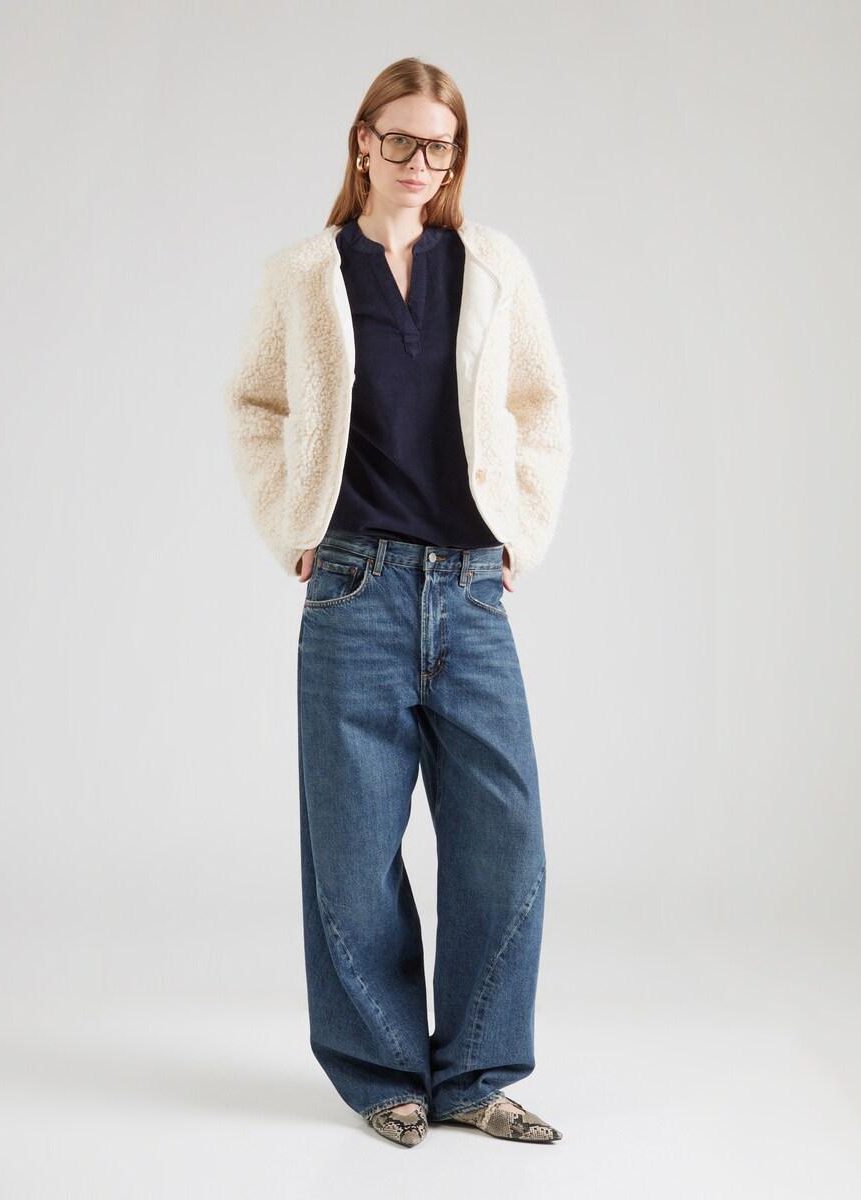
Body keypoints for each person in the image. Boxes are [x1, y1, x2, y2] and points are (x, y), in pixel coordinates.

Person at [226, 57, 572, 1147]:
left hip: (469, 590)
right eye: (403, 140)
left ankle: (474, 1073)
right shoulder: (306, 273)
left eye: (442, 145)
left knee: (504, 839)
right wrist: (292, 519)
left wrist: (520, 530)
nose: (423, 162)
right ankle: (385, 1075)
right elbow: (256, 403)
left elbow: (538, 404)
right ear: (363, 142)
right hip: (355, 587)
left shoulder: (492, 266)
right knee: (352, 850)